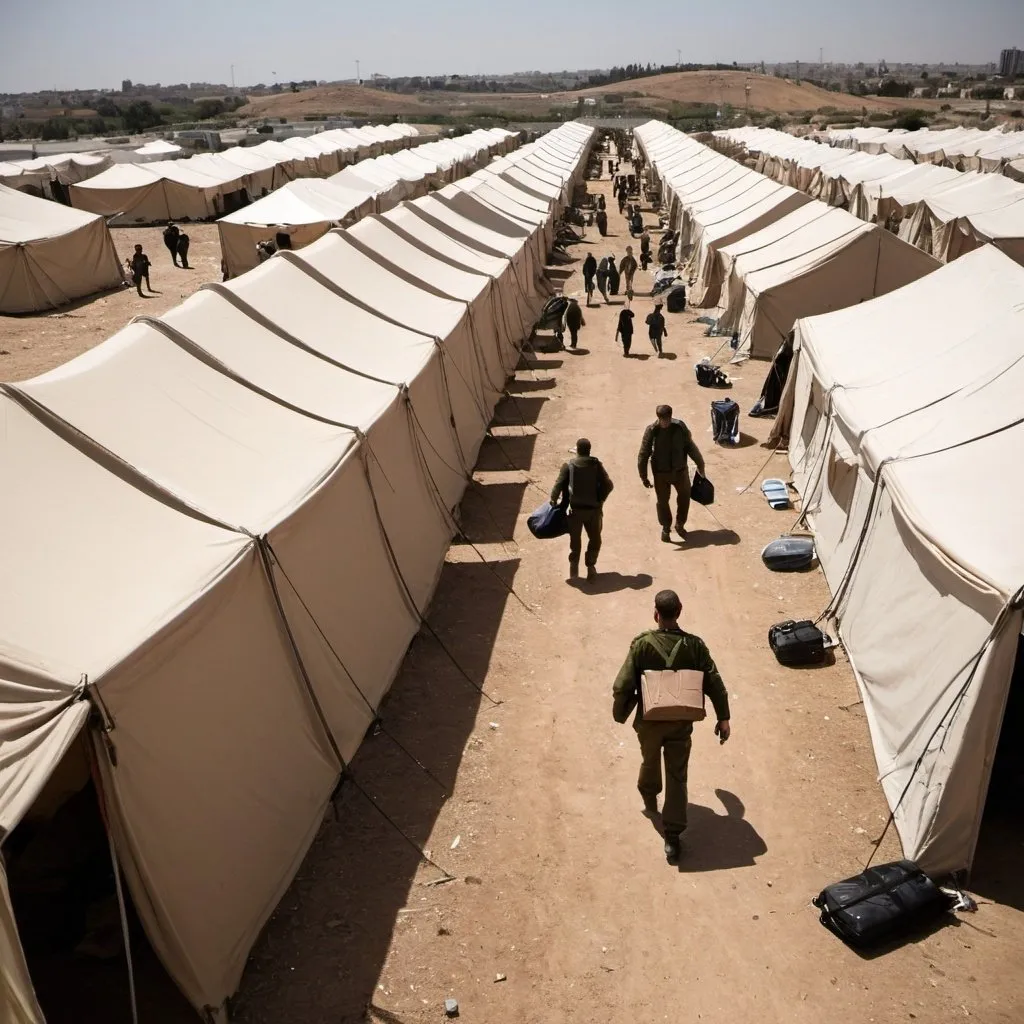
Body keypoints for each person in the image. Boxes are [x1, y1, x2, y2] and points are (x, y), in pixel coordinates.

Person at [612, 589, 731, 863]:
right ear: (680, 611)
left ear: (656, 613)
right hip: (680, 724)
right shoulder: (695, 646)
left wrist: (620, 713)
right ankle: (673, 837)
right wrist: (723, 718)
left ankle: (649, 797)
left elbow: (622, 685)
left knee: (649, 760)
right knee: (677, 775)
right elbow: (715, 684)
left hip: (649, 723)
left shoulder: (642, 645)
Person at [638, 404, 706, 543]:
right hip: (661, 474)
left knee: (684, 497)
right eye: (663, 420)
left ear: (670, 417)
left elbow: (690, 446)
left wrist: (700, 464)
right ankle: (666, 527)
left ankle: (680, 524)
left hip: (680, 471)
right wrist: (643, 476)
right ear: (659, 418)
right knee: (662, 502)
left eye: (667, 419)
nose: (666, 423)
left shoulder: (680, 427)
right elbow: (643, 454)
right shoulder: (652, 431)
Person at [550, 438, 614, 581]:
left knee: (575, 540)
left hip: (574, 512)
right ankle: (590, 567)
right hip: (593, 511)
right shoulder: (597, 465)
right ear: (589, 450)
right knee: (595, 539)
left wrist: (554, 499)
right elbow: (609, 485)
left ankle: (574, 570)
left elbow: (558, 485)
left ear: (577, 450)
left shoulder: (568, 466)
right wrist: (600, 500)